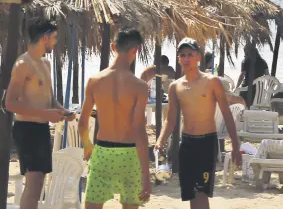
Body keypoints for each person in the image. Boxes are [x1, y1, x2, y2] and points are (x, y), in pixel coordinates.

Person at [155, 38, 242, 209]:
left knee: (201, 192)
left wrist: (236, 146)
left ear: (198, 57)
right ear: (178, 58)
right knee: (191, 193)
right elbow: (170, 119)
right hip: (187, 143)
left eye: (190, 54)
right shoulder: (175, 86)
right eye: (182, 55)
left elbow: (226, 113)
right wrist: (160, 140)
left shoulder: (211, 82)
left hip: (206, 143)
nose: (186, 59)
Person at [78, 29, 152, 209]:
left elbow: (82, 123)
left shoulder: (94, 81)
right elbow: (139, 131)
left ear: (113, 47)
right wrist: (146, 175)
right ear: (137, 50)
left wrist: (88, 146)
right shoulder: (140, 87)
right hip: (130, 154)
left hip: (103, 151)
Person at [4, 17, 72, 209]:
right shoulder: (22, 64)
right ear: (45, 38)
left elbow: (50, 99)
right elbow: (9, 104)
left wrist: (62, 110)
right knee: (33, 184)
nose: (55, 42)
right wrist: (45, 114)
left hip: (41, 129)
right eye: (54, 38)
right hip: (26, 128)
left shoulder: (45, 64)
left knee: (39, 183)